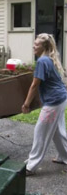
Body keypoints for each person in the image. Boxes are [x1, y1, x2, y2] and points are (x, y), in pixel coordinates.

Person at [22, 33, 67, 176]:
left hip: (54, 102)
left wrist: (26, 104)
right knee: (58, 132)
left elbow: (35, 85)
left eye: (36, 44)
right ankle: (64, 156)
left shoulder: (42, 61)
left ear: (44, 46)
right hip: (61, 98)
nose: (33, 46)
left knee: (40, 132)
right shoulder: (49, 59)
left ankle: (31, 166)